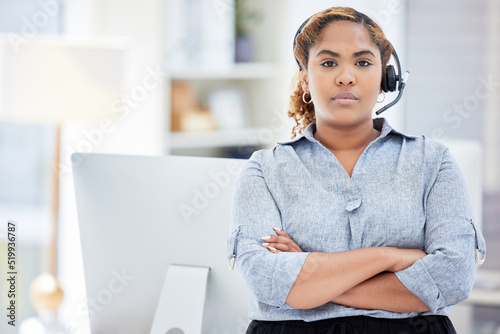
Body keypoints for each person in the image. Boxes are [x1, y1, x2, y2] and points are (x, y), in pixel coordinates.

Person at [227, 6, 486, 334]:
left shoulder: (434, 162)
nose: (346, 76)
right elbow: (268, 281)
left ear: (384, 80)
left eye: (363, 62)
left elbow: (453, 277)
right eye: (329, 62)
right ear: (305, 79)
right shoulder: (264, 170)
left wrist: (311, 280)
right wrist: (391, 257)